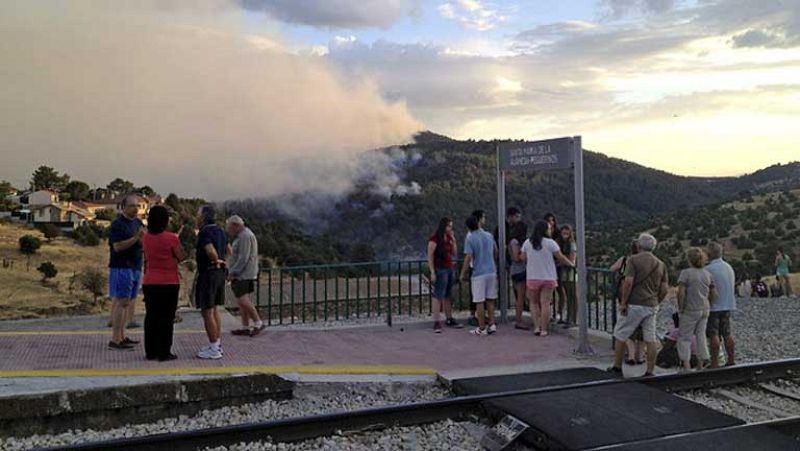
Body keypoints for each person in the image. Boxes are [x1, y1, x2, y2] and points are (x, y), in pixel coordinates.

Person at [608, 233, 669, 377]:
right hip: (652, 305)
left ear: (639, 245)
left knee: (620, 334)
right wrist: (657, 301)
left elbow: (628, 282)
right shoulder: (660, 264)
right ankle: (650, 371)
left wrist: (624, 302)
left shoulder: (633, 260)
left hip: (634, 303)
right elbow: (665, 289)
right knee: (650, 338)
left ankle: (617, 368)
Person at [141, 205, 186, 361]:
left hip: (150, 281)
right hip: (169, 282)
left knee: (151, 316)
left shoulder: (145, 237)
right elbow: (181, 256)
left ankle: (150, 351)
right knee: (166, 318)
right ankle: (164, 351)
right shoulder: (172, 238)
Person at [518, 220, 575, 336]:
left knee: (533, 303)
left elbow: (522, 257)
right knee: (545, 303)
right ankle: (544, 329)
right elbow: (560, 257)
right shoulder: (551, 243)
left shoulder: (528, 243)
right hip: (548, 277)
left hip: (533, 277)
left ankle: (536, 327)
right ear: (545, 230)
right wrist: (571, 264)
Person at [107, 195, 144, 350]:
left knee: (127, 302)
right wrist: (136, 238)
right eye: (131, 206)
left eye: (137, 205)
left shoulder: (138, 223)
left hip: (135, 267)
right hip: (122, 267)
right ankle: (115, 340)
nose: (135, 208)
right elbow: (117, 247)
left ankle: (122, 336)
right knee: (122, 302)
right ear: (123, 208)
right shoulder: (118, 225)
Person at [195, 205, 228, 359]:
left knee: (207, 311)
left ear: (203, 217)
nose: (196, 217)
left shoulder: (205, 232)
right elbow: (229, 250)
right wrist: (222, 262)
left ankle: (214, 348)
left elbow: (210, 251)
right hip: (220, 273)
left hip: (208, 273)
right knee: (215, 310)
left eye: (198, 214)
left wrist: (215, 259)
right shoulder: (221, 230)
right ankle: (217, 343)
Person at [676, 247, 716, 372]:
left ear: (689, 259)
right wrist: (710, 303)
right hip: (704, 308)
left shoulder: (686, 273)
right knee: (701, 335)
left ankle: (686, 365)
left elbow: (681, 292)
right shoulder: (708, 274)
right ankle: (701, 363)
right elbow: (714, 292)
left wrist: (681, 307)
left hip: (690, 308)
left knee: (685, 337)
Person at [460, 214, 498, 336]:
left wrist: (462, 274)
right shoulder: (489, 235)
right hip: (491, 271)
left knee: (479, 301)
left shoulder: (470, 239)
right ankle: (492, 324)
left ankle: (481, 327)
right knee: (490, 299)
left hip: (478, 273)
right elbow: (495, 251)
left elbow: (468, 257)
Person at [226, 215, 265, 337]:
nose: (229, 230)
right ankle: (245, 326)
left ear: (236, 225)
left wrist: (233, 272)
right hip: (247, 273)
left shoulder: (244, 237)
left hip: (243, 274)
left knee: (242, 300)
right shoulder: (246, 235)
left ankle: (258, 322)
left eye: (230, 227)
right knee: (242, 301)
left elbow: (243, 258)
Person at [610, 241, 644, 365]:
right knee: (641, 327)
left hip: (625, 296)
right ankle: (640, 356)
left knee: (626, 325)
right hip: (642, 297)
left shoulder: (625, 260)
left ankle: (630, 355)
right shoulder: (646, 263)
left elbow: (612, 269)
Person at [427, 217, 462, 333]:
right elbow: (430, 256)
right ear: (444, 226)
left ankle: (449, 318)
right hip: (440, 269)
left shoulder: (448, 238)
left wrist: (453, 240)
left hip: (449, 268)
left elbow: (454, 253)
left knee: (448, 294)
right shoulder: (435, 239)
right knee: (438, 295)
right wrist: (432, 272)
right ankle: (436, 321)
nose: (450, 228)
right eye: (449, 226)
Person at [706, 242, 736, 368]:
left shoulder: (708, 269)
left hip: (714, 306)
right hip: (728, 304)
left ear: (710, 254)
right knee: (727, 333)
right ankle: (731, 359)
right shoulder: (728, 267)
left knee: (714, 334)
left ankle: (714, 363)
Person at [505, 211, 530, 329]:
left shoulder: (512, 240)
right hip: (519, 270)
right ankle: (519, 320)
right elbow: (516, 257)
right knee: (520, 296)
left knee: (519, 296)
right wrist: (524, 256)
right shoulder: (515, 242)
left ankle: (519, 318)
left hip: (515, 270)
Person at [466, 210, 487, 327]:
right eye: (483, 217)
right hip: (476, 267)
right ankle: (474, 315)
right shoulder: (472, 235)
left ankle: (479, 315)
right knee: (476, 294)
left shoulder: (479, 233)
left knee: (479, 294)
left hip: (479, 267)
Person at [555, 225, 577, 327]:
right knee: (565, 294)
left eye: (567, 233)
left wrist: (563, 260)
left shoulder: (572, 245)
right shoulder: (558, 243)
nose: (565, 235)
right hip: (562, 270)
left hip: (569, 271)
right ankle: (564, 317)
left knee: (571, 294)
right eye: (563, 233)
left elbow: (572, 259)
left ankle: (572, 319)